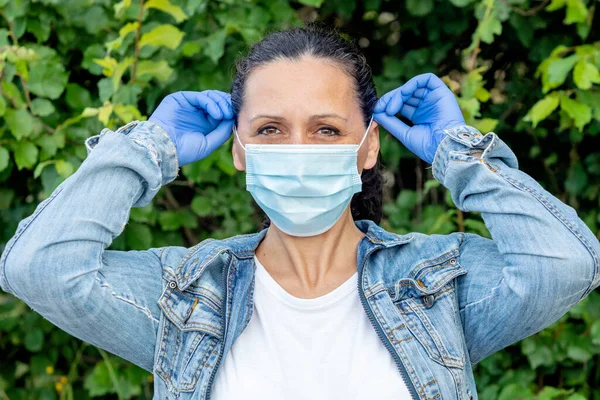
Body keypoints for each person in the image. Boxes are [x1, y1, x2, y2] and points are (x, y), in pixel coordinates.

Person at [0, 25, 598, 400]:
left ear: (368, 146)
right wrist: (147, 149)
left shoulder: (435, 287)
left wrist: (458, 152)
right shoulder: (184, 296)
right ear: (239, 150)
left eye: (326, 129)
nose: (297, 150)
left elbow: (563, 265)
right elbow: (40, 268)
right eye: (269, 129)